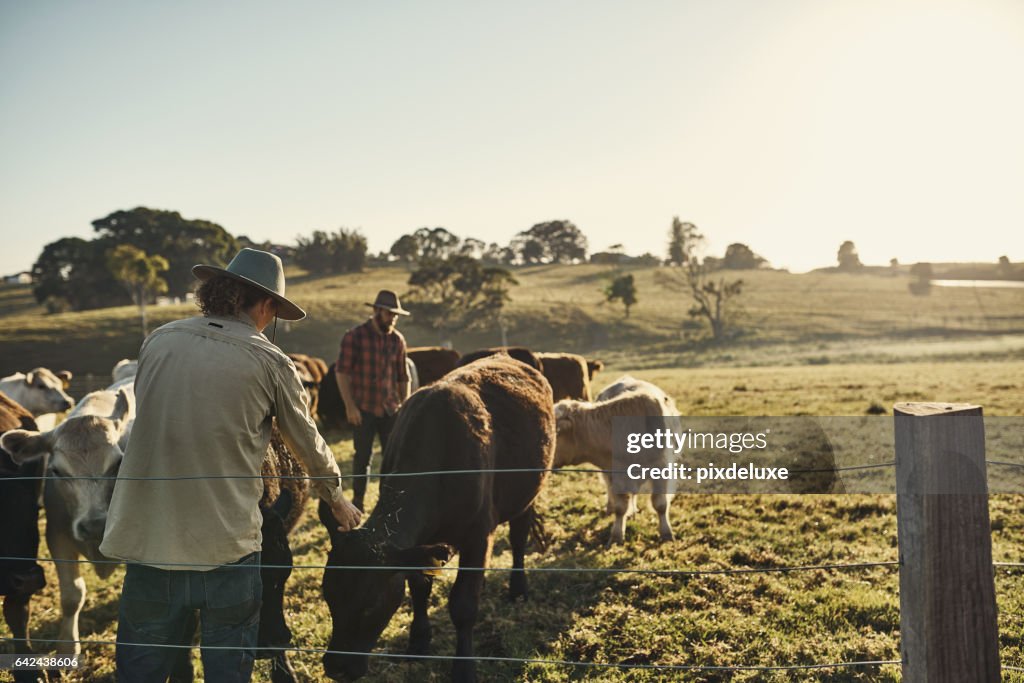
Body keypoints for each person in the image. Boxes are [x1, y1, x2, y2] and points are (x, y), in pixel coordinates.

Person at [100, 248, 361, 683]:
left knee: (140, 669)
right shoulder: (271, 361)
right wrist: (336, 498)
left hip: (147, 540)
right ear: (265, 305)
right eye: (273, 310)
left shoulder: (159, 341)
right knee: (226, 668)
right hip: (226, 549)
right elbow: (308, 442)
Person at [335, 289, 411, 511]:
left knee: (392, 459)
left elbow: (403, 376)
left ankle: (386, 503)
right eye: (390, 313)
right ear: (377, 311)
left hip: (390, 410)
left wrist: (404, 406)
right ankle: (358, 501)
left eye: (396, 315)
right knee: (362, 458)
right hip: (363, 408)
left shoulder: (398, 340)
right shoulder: (355, 336)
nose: (393, 318)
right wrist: (350, 407)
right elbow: (342, 372)